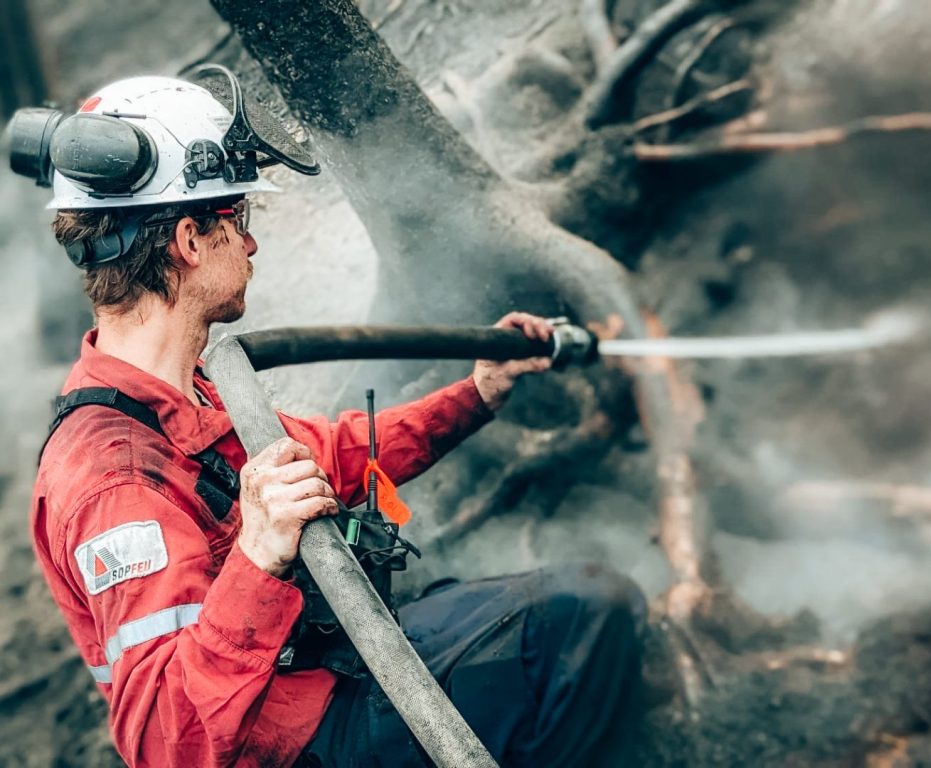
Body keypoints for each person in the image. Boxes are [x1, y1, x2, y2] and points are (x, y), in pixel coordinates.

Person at [22, 70, 645, 767]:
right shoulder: (115, 482)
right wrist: (259, 554)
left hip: (322, 674)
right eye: (239, 220)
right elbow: (168, 746)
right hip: (296, 746)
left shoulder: (181, 391)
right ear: (191, 240)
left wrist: (477, 392)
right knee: (586, 616)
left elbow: (334, 454)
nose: (252, 245)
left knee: (541, 606)